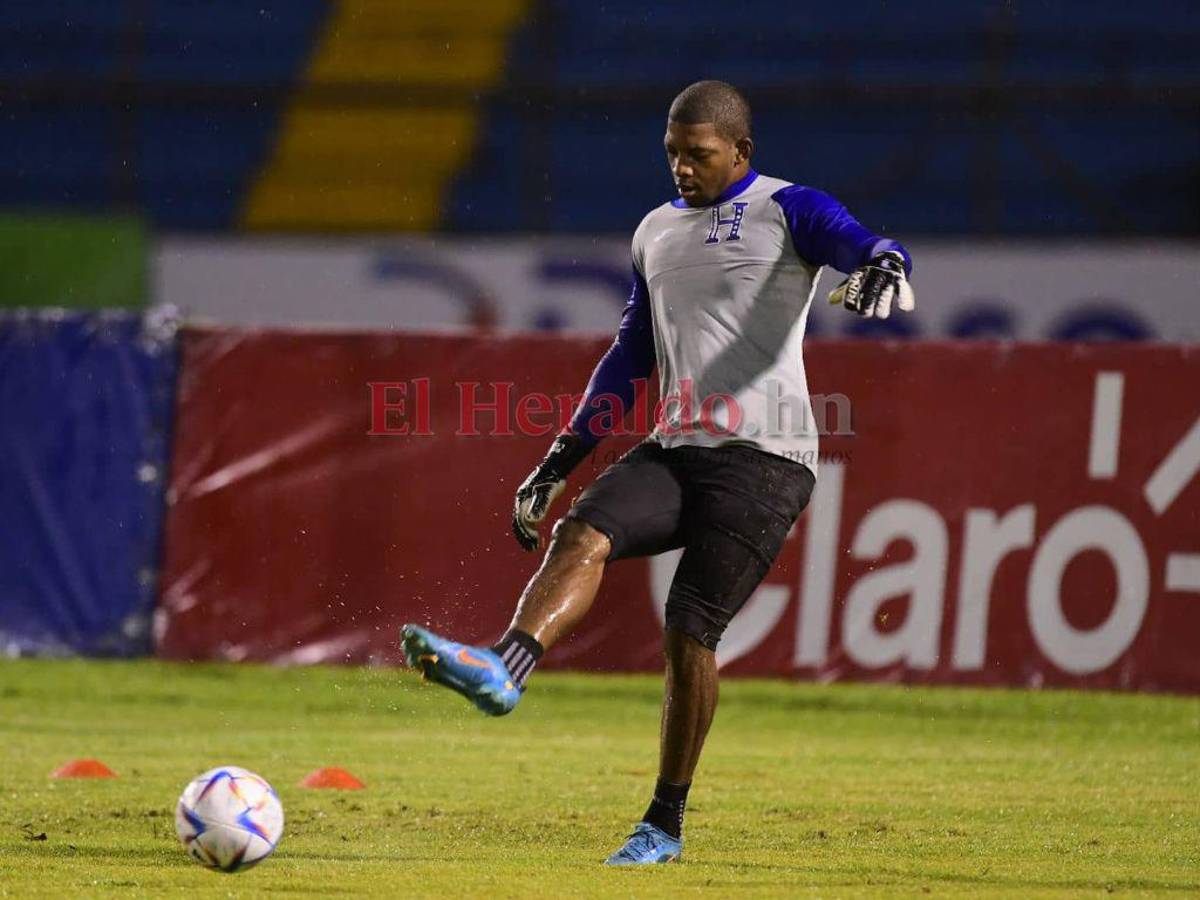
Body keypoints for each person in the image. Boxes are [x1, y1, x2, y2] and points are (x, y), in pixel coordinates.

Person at [401, 79, 915, 866]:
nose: (681, 167)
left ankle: (662, 825)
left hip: (768, 461)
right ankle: (506, 669)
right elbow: (629, 356)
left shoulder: (790, 208)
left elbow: (861, 243)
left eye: (698, 154)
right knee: (581, 532)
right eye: (672, 152)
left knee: (688, 633)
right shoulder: (653, 233)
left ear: (741, 152)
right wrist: (561, 456)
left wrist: (885, 261)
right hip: (677, 447)